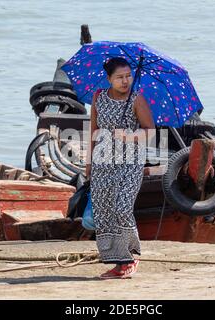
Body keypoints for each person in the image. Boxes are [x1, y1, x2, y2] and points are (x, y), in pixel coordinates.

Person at [85, 57, 155, 279]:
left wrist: (128, 135)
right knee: (104, 211)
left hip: (130, 163)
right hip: (103, 162)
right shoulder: (98, 97)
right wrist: (88, 163)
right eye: (119, 77)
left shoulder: (137, 100)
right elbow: (94, 131)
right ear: (109, 79)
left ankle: (132, 255)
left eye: (128, 76)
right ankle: (119, 262)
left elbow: (151, 132)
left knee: (122, 208)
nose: (125, 81)